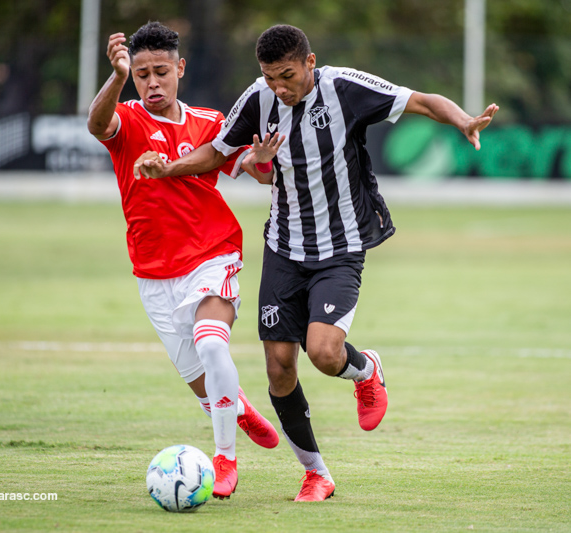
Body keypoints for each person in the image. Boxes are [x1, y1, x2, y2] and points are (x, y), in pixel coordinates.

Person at [133, 24, 499, 501]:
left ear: (309, 62)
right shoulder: (258, 100)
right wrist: (170, 167)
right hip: (284, 249)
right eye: (270, 78)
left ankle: (365, 371)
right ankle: (316, 473)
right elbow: (218, 153)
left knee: (325, 353)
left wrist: (463, 120)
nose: (279, 88)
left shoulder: (345, 87)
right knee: (279, 369)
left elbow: (422, 100)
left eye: (287, 76)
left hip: (341, 248)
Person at [86, 22, 282, 500]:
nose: (152, 83)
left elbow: (256, 173)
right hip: (154, 273)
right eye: (141, 74)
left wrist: (260, 159)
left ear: (180, 69)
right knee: (201, 382)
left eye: (161, 72)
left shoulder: (210, 123)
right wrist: (114, 78)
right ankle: (234, 406)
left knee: (213, 346)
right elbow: (96, 125)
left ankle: (225, 459)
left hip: (213, 253)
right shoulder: (127, 119)